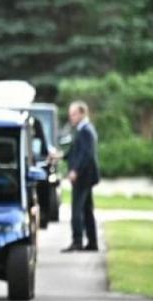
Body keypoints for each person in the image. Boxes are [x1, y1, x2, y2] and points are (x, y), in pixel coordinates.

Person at [61, 100, 100, 252]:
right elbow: (75, 152)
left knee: (77, 210)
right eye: (70, 114)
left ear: (83, 113)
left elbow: (86, 155)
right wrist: (61, 156)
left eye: (74, 114)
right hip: (85, 176)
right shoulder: (82, 129)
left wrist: (75, 170)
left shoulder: (86, 131)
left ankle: (77, 241)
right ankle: (92, 242)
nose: (71, 117)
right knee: (87, 210)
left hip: (83, 177)